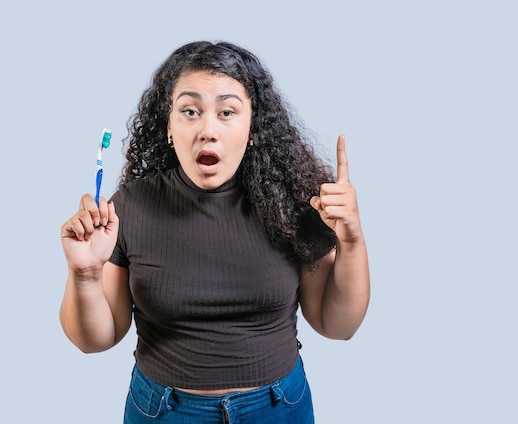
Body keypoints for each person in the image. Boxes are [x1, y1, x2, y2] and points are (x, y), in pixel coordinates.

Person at [59, 40, 370, 424]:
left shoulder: (293, 204)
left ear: (253, 128)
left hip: (277, 409)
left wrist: (352, 242)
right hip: (163, 412)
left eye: (227, 112)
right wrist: (84, 273)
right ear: (169, 127)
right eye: (190, 111)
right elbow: (95, 340)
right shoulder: (130, 208)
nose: (208, 129)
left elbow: (337, 326)